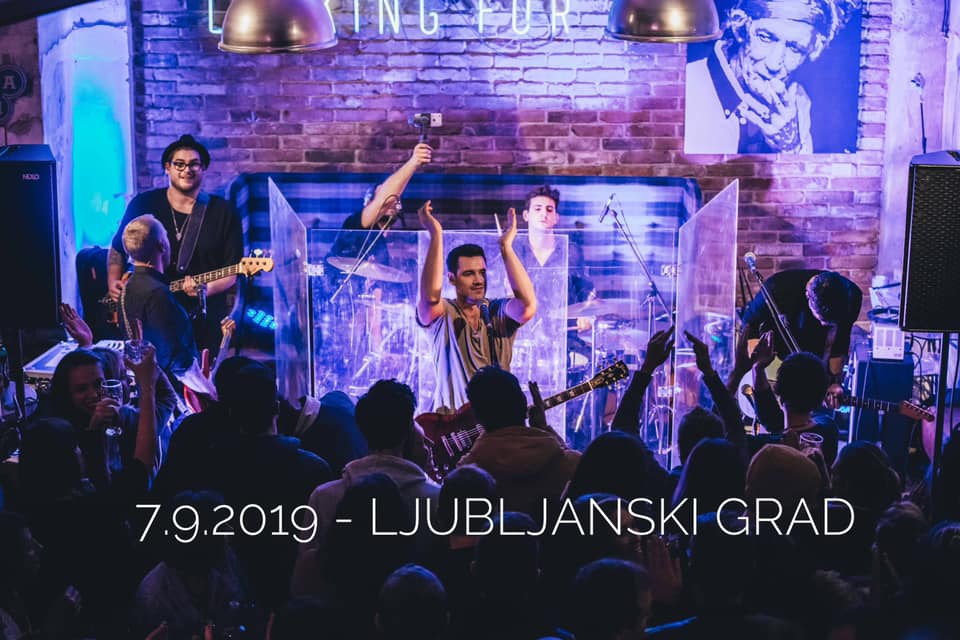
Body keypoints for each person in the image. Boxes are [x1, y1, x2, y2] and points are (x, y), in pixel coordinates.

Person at [108, 134, 243, 355]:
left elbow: (232, 273)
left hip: (201, 320)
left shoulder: (224, 212)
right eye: (179, 164)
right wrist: (113, 281)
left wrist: (203, 290)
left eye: (194, 164)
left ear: (203, 168)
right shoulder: (143, 203)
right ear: (167, 168)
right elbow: (117, 248)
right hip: (149, 315)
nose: (186, 170)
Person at [684, 0, 860, 154]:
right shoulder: (688, 87)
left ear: (813, 50)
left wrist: (790, 147)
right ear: (741, 28)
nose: (774, 64)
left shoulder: (798, 103)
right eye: (765, 37)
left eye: (795, 48)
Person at [416, 200, 537, 410]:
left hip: (497, 424)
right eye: (469, 274)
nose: (479, 280)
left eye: (482, 272)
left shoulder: (494, 311)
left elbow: (527, 306)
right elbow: (430, 299)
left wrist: (506, 248)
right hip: (452, 425)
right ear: (452, 279)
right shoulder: (445, 314)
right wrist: (436, 235)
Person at [736, 269, 862, 397]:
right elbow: (749, 327)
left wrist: (834, 381)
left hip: (817, 364)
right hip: (779, 358)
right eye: (821, 319)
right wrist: (756, 369)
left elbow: (840, 343)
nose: (824, 325)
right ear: (808, 296)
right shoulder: (777, 287)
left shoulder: (853, 297)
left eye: (830, 324)